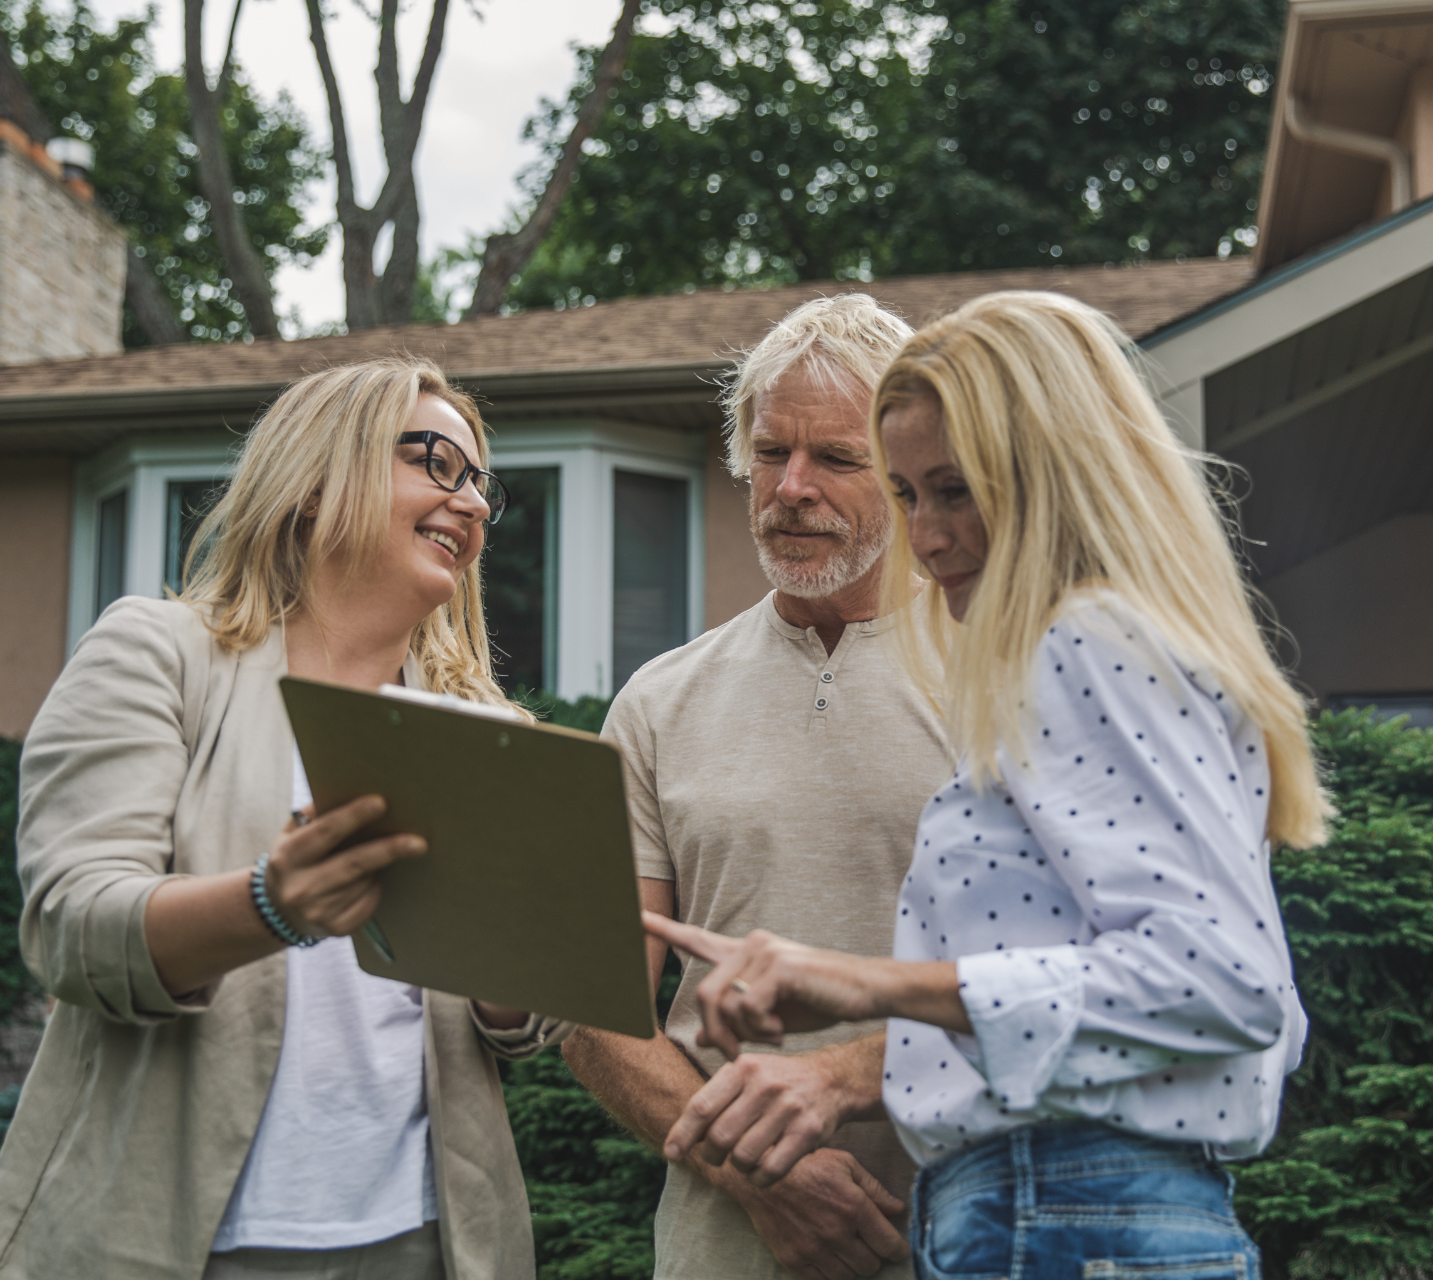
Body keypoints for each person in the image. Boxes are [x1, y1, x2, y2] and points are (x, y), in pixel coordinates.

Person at [647, 289, 1331, 1277]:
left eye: (955, 488)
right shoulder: (1102, 647)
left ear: (1054, 470)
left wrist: (857, 981)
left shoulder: (1087, 641)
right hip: (1082, 1207)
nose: (926, 535)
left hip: (1064, 1209)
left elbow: (1225, 980)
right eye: (910, 491)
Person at [4, 358, 569, 1279]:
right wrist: (274, 905)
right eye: (433, 460)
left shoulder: (487, 733)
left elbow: (521, 1023)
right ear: (312, 484)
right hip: (177, 1240)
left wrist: (519, 962)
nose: (467, 502)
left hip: (428, 1242)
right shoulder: (159, 654)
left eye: (477, 482)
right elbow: (72, 930)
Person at [564, 294, 949, 1280]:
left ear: (906, 473)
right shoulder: (657, 702)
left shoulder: (1006, 673)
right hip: (722, 1245)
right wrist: (763, 1173)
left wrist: (846, 1079)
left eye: (837, 458)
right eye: (771, 452)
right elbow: (594, 1006)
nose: (792, 488)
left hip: (965, 1226)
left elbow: (1066, 979)